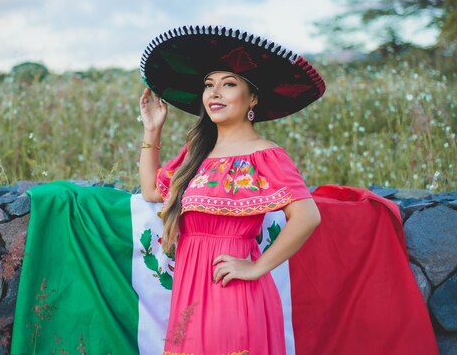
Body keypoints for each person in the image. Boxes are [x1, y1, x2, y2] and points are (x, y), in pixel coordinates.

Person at [137, 25, 325, 354]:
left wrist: (257, 266)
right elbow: (153, 191)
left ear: (252, 97)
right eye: (209, 85)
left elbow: (307, 216)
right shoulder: (197, 152)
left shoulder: (265, 155)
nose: (215, 93)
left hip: (233, 293)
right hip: (189, 293)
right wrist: (152, 130)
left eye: (229, 84)